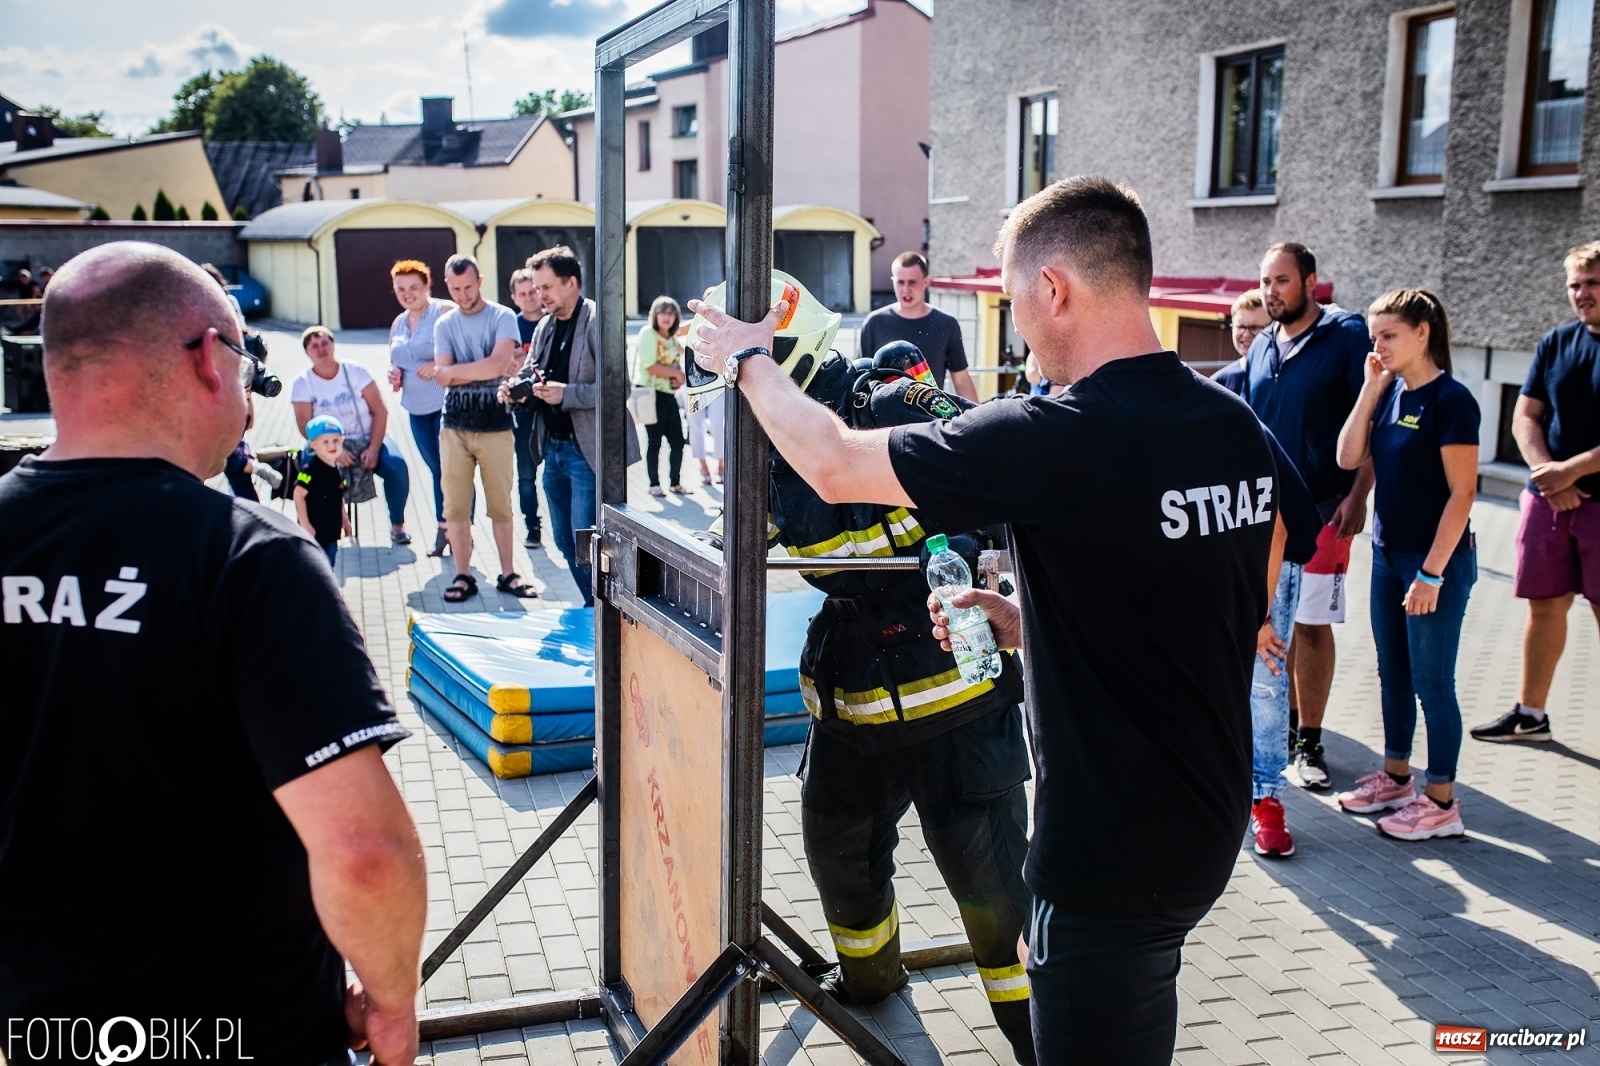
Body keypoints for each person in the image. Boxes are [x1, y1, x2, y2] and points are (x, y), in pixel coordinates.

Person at [688, 178, 1282, 1066]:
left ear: (1055, 289)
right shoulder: (1233, 425)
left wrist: (745, 359)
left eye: (1010, 300)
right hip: (1205, 820)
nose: (1014, 324)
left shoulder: (1050, 436)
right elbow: (1246, 579)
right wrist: (1038, 626)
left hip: (1106, 855)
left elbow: (833, 462)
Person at [0, 241, 426, 1066]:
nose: (247, 393)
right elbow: (365, 854)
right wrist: (392, 1004)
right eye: (244, 361)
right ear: (205, 357)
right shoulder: (247, 560)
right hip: (241, 1029)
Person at [689, 275, 1037, 1062]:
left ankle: (1035, 1040)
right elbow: (732, 545)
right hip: (851, 709)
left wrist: (997, 583)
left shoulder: (895, 402)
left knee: (994, 895)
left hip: (958, 706)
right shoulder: (768, 447)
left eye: (751, 364)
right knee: (839, 860)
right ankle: (872, 984)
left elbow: (998, 482)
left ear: (785, 348)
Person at [1334, 290, 1479, 839]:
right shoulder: (1390, 392)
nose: (1379, 345)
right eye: (1375, 336)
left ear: (1424, 331)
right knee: (1392, 674)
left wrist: (1432, 573)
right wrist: (1372, 386)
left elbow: (1462, 495)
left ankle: (1441, 801)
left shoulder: (1452, 400)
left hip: (1433, 563)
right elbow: (1348, 457)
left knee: (1433, 684)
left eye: (1389, 335)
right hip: (1388, 554)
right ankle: (1396, 778)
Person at [1239, 243, 1374, 807]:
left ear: (1312, 282)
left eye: (1283, 281)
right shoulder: (1264, 343)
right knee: (1274, 633)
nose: (1272, 291)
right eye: (1266, 281)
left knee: (1311, 627)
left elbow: (1369, 412)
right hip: (1264, 520)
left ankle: (1309, 744)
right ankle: (1281, 736)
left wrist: (1359, 493)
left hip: (1321, 511)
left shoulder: (1345, 335)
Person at [1472, 241, 1600, 743]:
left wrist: (1572, 470)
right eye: (1574, 285)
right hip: (1549, 501)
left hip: (1595, 503)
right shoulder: (1557, 341)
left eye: (1591, 283)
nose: (1581, 293)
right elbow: (1526, 413)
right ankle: (1532, 714)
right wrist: (1549, 473)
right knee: (1543, 605)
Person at [503, 246, 640, 607]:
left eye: (546, 287)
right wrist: (514, 387)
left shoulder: (598, 321)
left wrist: (567, 394)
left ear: (571, 283)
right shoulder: (547, 324)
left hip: (588, 451)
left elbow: (619, 389)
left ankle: (603, 612)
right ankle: (592, 605)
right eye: (536, 288)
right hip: (555, 448)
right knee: (565, 540)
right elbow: (532, 370)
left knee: (587, 539)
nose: (538, 296)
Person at [432, 254, 538, 602]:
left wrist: (457, 372)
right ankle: (463, 575)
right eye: (455, 288)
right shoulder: (444, 325)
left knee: (500, 505)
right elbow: (444, 373)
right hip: (454, 426)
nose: (463, 295)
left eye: (468, 286)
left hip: (496, 425)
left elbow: (496, 364)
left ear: (480, 281)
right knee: (456, 507)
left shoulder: (502, 315)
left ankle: (507, 573)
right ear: (447, 286)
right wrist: (485, 369)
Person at [291, 325, 412, 546]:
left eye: (325, 343)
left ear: (333, 344)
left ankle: (398, 525)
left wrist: (374, 448)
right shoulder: (303, 383)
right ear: (307, 352)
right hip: (324, 445)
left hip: (367, 438)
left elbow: (380, 411)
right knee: (307, 471)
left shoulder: (356, 372)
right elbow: (304, 426)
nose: (321, 349)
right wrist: (333, 452)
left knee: (396, 466)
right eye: (314, 346)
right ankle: (314, 529)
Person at [388, 259, 454, 557]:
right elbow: (394, 357)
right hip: (415, 408)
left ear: (427, 286)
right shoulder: (399, 322)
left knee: (448, 469)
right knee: (434, 469)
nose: (407, 293)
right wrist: (394, 372)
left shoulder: (444, 311)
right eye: (401, 288)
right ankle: (451, 527)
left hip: (446, 405)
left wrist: (437, 364)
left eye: (414, 287)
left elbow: (466, 351)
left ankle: (450, 529)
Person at [858, 252, 978, 400]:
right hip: (884, 418)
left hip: (929, 416)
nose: (906, 290)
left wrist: (977, 417)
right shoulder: (874, 323)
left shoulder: (947, 324)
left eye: (912, 282)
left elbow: (961, 379)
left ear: (926, 282)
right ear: (892, 281)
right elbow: (861, 377)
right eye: (900, 282)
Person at [508, 267, 546, 549]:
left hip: (554, 410)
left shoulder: (554, 322)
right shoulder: (510, 327)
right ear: (514, 298)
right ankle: (532, 526)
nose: (529, 297)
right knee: (525, 475)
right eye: (522, 294)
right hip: (524, 412)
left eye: (532, 291)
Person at [635, 295, 689, 496]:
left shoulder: (672, 339)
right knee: (654, 441)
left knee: (677, 441)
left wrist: (677, 377)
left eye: (671, 313)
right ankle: (654, 485)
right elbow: (650, 366)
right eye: (662, 312)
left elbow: (679, 363)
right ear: (654, 315)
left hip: (668, 395)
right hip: (652, 394)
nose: (667, 317)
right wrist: (677, 374)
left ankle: (675, 483)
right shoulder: (648, 333)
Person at [297, 415, 353, 568]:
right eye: (325, 442)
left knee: (329, 565)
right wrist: (305, 523)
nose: (331, 446)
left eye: (336, 440)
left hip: (331, 530)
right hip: (314, 531)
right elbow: (298, 494)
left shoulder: (336, 468)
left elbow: (338, 497)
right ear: (313, 445)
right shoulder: (309, 470)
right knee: (315, 568)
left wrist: (345, 520)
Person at [1212, 288, 1269, 393]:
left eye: (1255, 327)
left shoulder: (1282, 379)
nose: (1246, 334)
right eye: (1240, 326)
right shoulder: (1218, 384)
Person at [688, 389, 726, 484]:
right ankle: (703, 467)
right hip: (693, 385)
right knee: (696, 428)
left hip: (718, 384)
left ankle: (721, 465)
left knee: (719, 427)